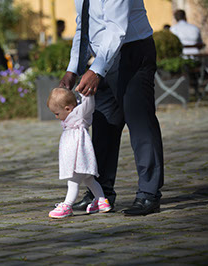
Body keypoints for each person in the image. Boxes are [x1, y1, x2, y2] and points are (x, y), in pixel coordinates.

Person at [60, 0, 164, 216]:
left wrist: (96, 70)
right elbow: (83, 27)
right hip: (104, 58)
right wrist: (74, 68)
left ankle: (149, 192)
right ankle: (101, 193)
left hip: (132, 54)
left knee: (140, 124)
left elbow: (117, 28)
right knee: (104, 124)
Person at [47, 87, 111, 219]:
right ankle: (101, 201)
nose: (56, 116)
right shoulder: (69, 117)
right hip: (76, 157)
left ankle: (67, 206)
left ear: (68, 109)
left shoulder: (79, 115)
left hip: (79, 158)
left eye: (57, 113)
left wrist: (86, 93)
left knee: (73, 182)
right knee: (90, 180)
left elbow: (88, 104)